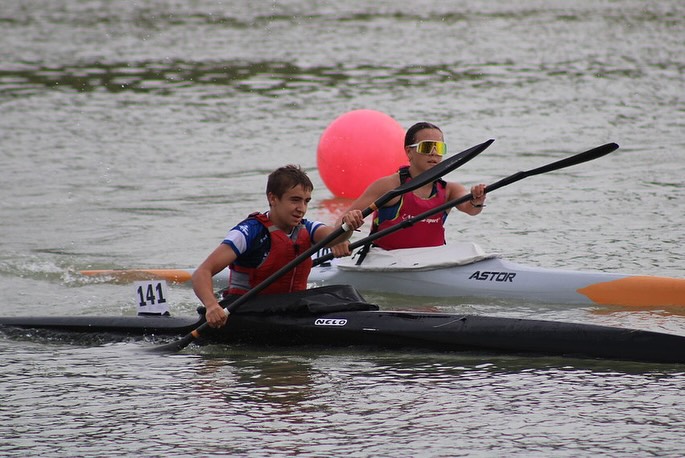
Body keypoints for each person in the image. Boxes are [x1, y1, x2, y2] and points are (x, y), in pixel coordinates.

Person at [193, 164, 364, 328]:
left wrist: (347, 226)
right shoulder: (248, 232)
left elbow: (335, 237)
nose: (301, 208)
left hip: (290, 306)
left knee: (345, 293)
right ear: (273, 198)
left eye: (306, 201)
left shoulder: (307, 228)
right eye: (295, 200)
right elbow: (202, 272)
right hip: (248, 311)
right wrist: (212, 306)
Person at [331, 121, 486, 256]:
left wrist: (477, 200)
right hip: (386, 257)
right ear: (409, 152)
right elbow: (342, 220)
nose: (433, 153)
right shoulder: (389, 186)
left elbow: (470, 209)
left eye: (439, 148)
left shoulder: (450, 190)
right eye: (427, 147)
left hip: (431, 258)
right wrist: (341, 238)